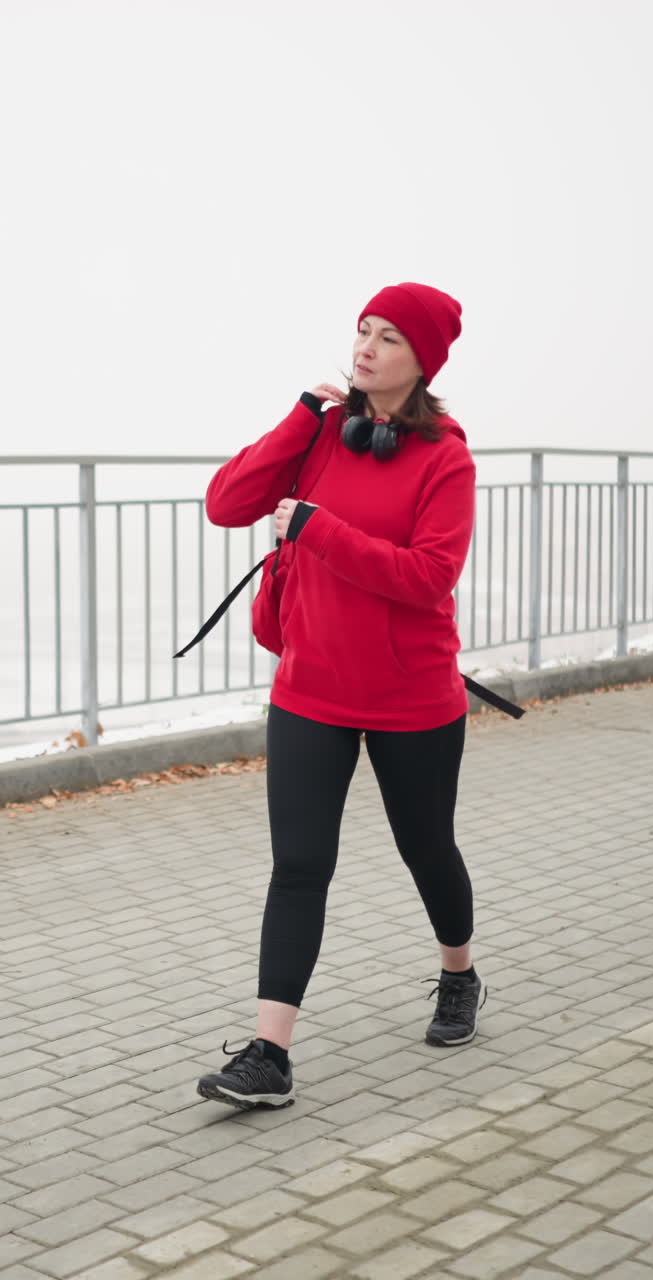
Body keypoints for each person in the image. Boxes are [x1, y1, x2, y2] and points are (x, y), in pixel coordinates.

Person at [197, 282, 486, 1111]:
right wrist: (298, 417)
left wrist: (319, 528)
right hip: (310, 691)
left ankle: (459, 976)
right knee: (299, 867)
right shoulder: (323, 432)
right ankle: (268, 1055)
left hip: (412, 697)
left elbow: (429, 579)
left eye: (389, 337)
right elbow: (227, 504)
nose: (366, 347)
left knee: (427, 847)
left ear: (421, 361)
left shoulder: (446, 459)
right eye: (362, 330)